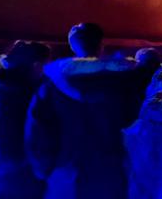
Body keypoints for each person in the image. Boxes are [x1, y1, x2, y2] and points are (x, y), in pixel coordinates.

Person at [25, 22, 147, 199]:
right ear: (101, 45)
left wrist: (43, 169)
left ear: (73, 46)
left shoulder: (52, 84)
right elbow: (133, 120)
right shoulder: (124, 81)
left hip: (66, 171)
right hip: (109, 168)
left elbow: (37, 130)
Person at [0, 41, 51, 199]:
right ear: (35, 65)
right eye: (45, 65)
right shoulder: (15, 98)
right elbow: (7, 154)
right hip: (15, 187)